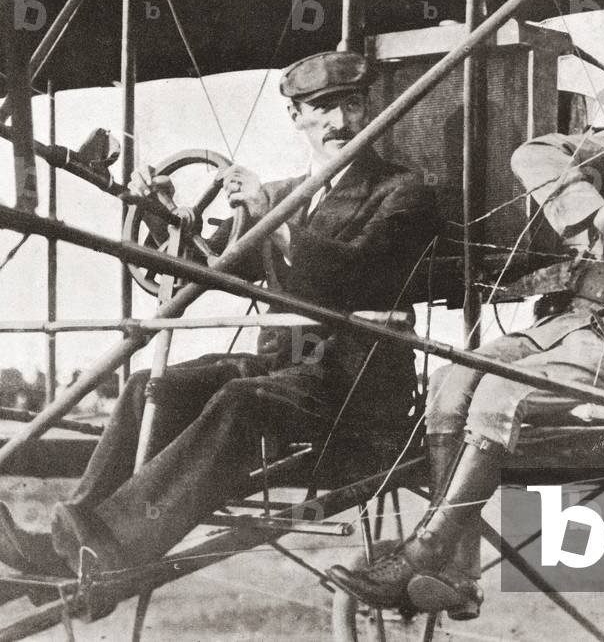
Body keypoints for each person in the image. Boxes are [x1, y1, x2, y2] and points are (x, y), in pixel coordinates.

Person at [0, 50, 440, 616]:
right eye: (322, 108)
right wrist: (160, 211)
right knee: (150, 387)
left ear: (368, 109)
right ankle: (69, 542)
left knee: (241, 399)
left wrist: (272, 222)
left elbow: (359, 276)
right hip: (287, 371)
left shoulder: (404, 192)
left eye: (351, 105)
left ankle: (103, 556)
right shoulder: (282, 194)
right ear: (296, 116)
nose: (339, 122)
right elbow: (195, 267)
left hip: (356, 383)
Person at [327, 40, 604, 616]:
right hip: (571, 325)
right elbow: (533, 154)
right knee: (451, 384)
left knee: (500, 395)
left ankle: (424, 553)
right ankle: (458, 575)